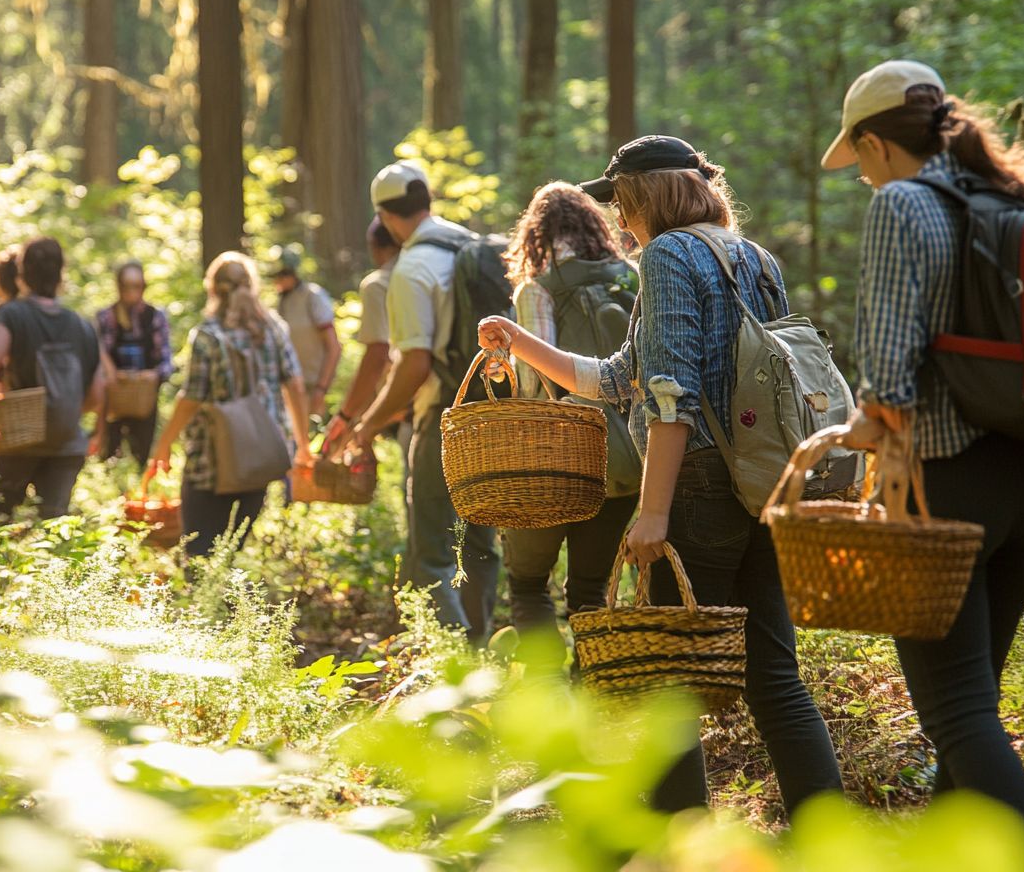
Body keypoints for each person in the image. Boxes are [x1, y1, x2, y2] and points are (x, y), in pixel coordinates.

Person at [478, 136, 842, 816]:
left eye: (622, 202)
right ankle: (826, 838)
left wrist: (652, 511)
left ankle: (681, 839)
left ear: (648, 195)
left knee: (670, 682)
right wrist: (519, 339)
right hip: (766, 484)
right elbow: (619, 379)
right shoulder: (752, 257)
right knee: (774, 677)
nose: (619, 220)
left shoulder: (670, 255)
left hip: (700, 488)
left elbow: (670, 394)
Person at [821, 60, 1024, 834]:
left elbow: (889, 381)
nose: (860, 176)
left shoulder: (902, 205)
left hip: (945, 496)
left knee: (957, 716)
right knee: (970, 712)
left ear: (875, 143)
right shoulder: (1002, 196)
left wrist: (854, 425)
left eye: (856, 157)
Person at [348, 161, 501, 644]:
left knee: (432, 550)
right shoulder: (471, 245)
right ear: (427, 201)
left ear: (385, 215)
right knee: (479, 542)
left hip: (443, 417)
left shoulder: (411, 268)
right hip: (492, 410)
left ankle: (451, 667)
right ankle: (481, 651)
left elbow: (413, 364)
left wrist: (368, 426)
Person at [499, 182, 640, 645]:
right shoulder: (633, 277)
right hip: (626, 457)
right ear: (594, 226)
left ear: (536, 233)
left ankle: (543, 694)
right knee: (590, 589)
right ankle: (593, 693)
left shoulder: (538, 289)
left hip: (555, 460)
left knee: (527, 582)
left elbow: (534, 383)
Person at [148, 251, 313, 558]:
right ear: (252, 286)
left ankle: (206, 604)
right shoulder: (274, 329)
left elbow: (191, 398)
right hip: (259, 461)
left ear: (212, 288)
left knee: (198, 551)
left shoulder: (208, 337)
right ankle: (228, 602)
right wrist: (302, 445)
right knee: (230, 551)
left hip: (210, 463)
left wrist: (163, 445)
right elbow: (296, 386)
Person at [0, 237, 105, 519]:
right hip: (68, 443)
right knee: (55, 524)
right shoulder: (82, 325)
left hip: (21, 439)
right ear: (61, 273)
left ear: (22, 274)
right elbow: (96, 395)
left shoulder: (12, 314)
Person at [319, 217, 406, 461]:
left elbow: (378, 356)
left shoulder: (379, 284)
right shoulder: (429, 271)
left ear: (376, 247)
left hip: (412, 406)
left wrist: (347, 416)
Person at [95, 260, 174, 467]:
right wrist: (112, 374)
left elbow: (166, 362)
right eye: (126, 285)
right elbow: (96, 359)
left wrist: (153, 375)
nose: (132, 291)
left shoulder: (155, 317)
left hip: (145, 403)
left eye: (136, 286)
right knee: (109, 457)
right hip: (112, 402)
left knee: (142, 457)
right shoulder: (106, 318)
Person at [268, 244, 341, 419]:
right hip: (289, 388)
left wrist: (321, 389)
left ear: (291, 273)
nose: (275, 281)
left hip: (313, 387)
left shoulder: (312, 296)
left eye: (280, 275)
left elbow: (334, 348)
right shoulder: (282, 302)